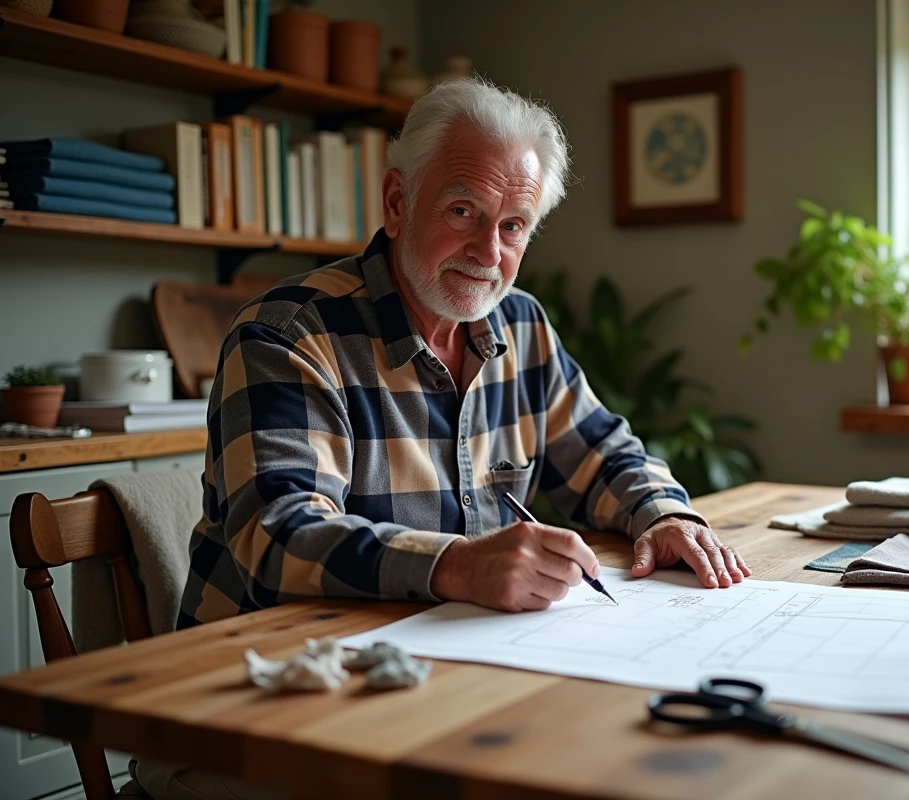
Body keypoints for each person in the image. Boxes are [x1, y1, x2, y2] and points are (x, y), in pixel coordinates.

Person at [176, 76, 750, 630]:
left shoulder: (521, 323)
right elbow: (278, 538)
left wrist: (665, 514)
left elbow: (602, 455)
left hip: (439, 646)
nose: (488, 252)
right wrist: (457, 566)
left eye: (513, 225)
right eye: (462, 211)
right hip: (262, 665)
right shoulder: (288, 334)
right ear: (397, 202)